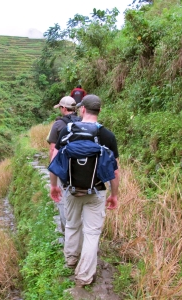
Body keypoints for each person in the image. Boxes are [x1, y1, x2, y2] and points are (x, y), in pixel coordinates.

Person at [49, 94, 120, 288]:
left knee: (72, 225)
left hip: (71, 189)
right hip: (96, 191)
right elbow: (114, 170)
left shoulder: (66, 131)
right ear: (99, 111)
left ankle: (71, 260)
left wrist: (54, 185)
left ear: (82, 110)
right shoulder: (107, 135)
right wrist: (114, 195)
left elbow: (55, 159)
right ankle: (85, 276)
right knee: (92, 232)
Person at [47, 96, 80, 232]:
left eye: (60, 107)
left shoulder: (58, 125)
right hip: (84, 167)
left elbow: (52, 149)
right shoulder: (84, 121)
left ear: (64, 108)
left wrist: (52, 171)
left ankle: (68, 233)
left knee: (63, 201)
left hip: (64, 168)